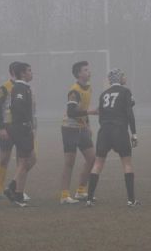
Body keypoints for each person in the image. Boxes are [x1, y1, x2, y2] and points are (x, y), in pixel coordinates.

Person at [86, 69, 139, 207]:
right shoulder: (126, 91)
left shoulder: (104, 94)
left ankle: (89, 199)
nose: (125, 77)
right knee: (127, 163)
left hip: (104, 131)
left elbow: (101, 114)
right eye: (123, 75)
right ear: (119, 78)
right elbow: (129, 112)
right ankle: (131, 200)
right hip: (119, 130)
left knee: (98, 164)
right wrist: (134, 133)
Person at [0, 62, 30, 202]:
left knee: (22, 159)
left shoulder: (25, 87)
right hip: (8, 128)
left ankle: (19, 190)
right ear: (14, 71)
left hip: (21, 128)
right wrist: (1, 128)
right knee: (4, 159)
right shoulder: (4, 87)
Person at [60, 61, 98, 204]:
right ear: (79, 74)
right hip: (69, 128)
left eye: (88, 69)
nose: (89, 72)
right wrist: (91, 112)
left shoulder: (89, 88)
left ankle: (80, 191)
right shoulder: (74, 90)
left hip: (82, 128)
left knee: (92, 158)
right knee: (69, 162)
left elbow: (83, 109)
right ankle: (64, 195)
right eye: (86, 70)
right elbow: (71, 112)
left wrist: (87, 125)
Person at [4, 63, 36, 207]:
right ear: (23, 74)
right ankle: (12, 189)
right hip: (21, 128)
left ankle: (18, 193)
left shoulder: (24, 88)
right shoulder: (20, 88)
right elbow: (17, 105)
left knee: (31, 159)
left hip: (21, 128)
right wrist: (27, 122)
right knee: (24, 161)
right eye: (29, 70)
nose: (31, 73)